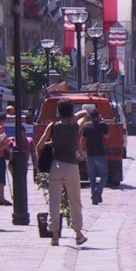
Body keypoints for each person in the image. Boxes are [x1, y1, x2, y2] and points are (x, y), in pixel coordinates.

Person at [35, 100, 87, 246]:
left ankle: (55, 235)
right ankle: (78, 233)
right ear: (71, 111)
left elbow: (39, 145)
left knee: (54, 201)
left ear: (59, 111)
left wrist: (51, 143)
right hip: (71, 166)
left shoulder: (52, 126)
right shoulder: (75, 126)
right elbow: (85, 113)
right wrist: (73, 118)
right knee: (74, 200)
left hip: (56, 165)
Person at [80, 108, 109, 205]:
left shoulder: (86, 126)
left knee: (91, 177)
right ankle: (97, 192)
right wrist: (103, 122)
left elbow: (83, 140)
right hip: (100, 153)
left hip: (90, 154)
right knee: (104, 175)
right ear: (98, 116)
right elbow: (107, 136)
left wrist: (81, 150)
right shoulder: (103, 125)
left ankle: (94, 196)